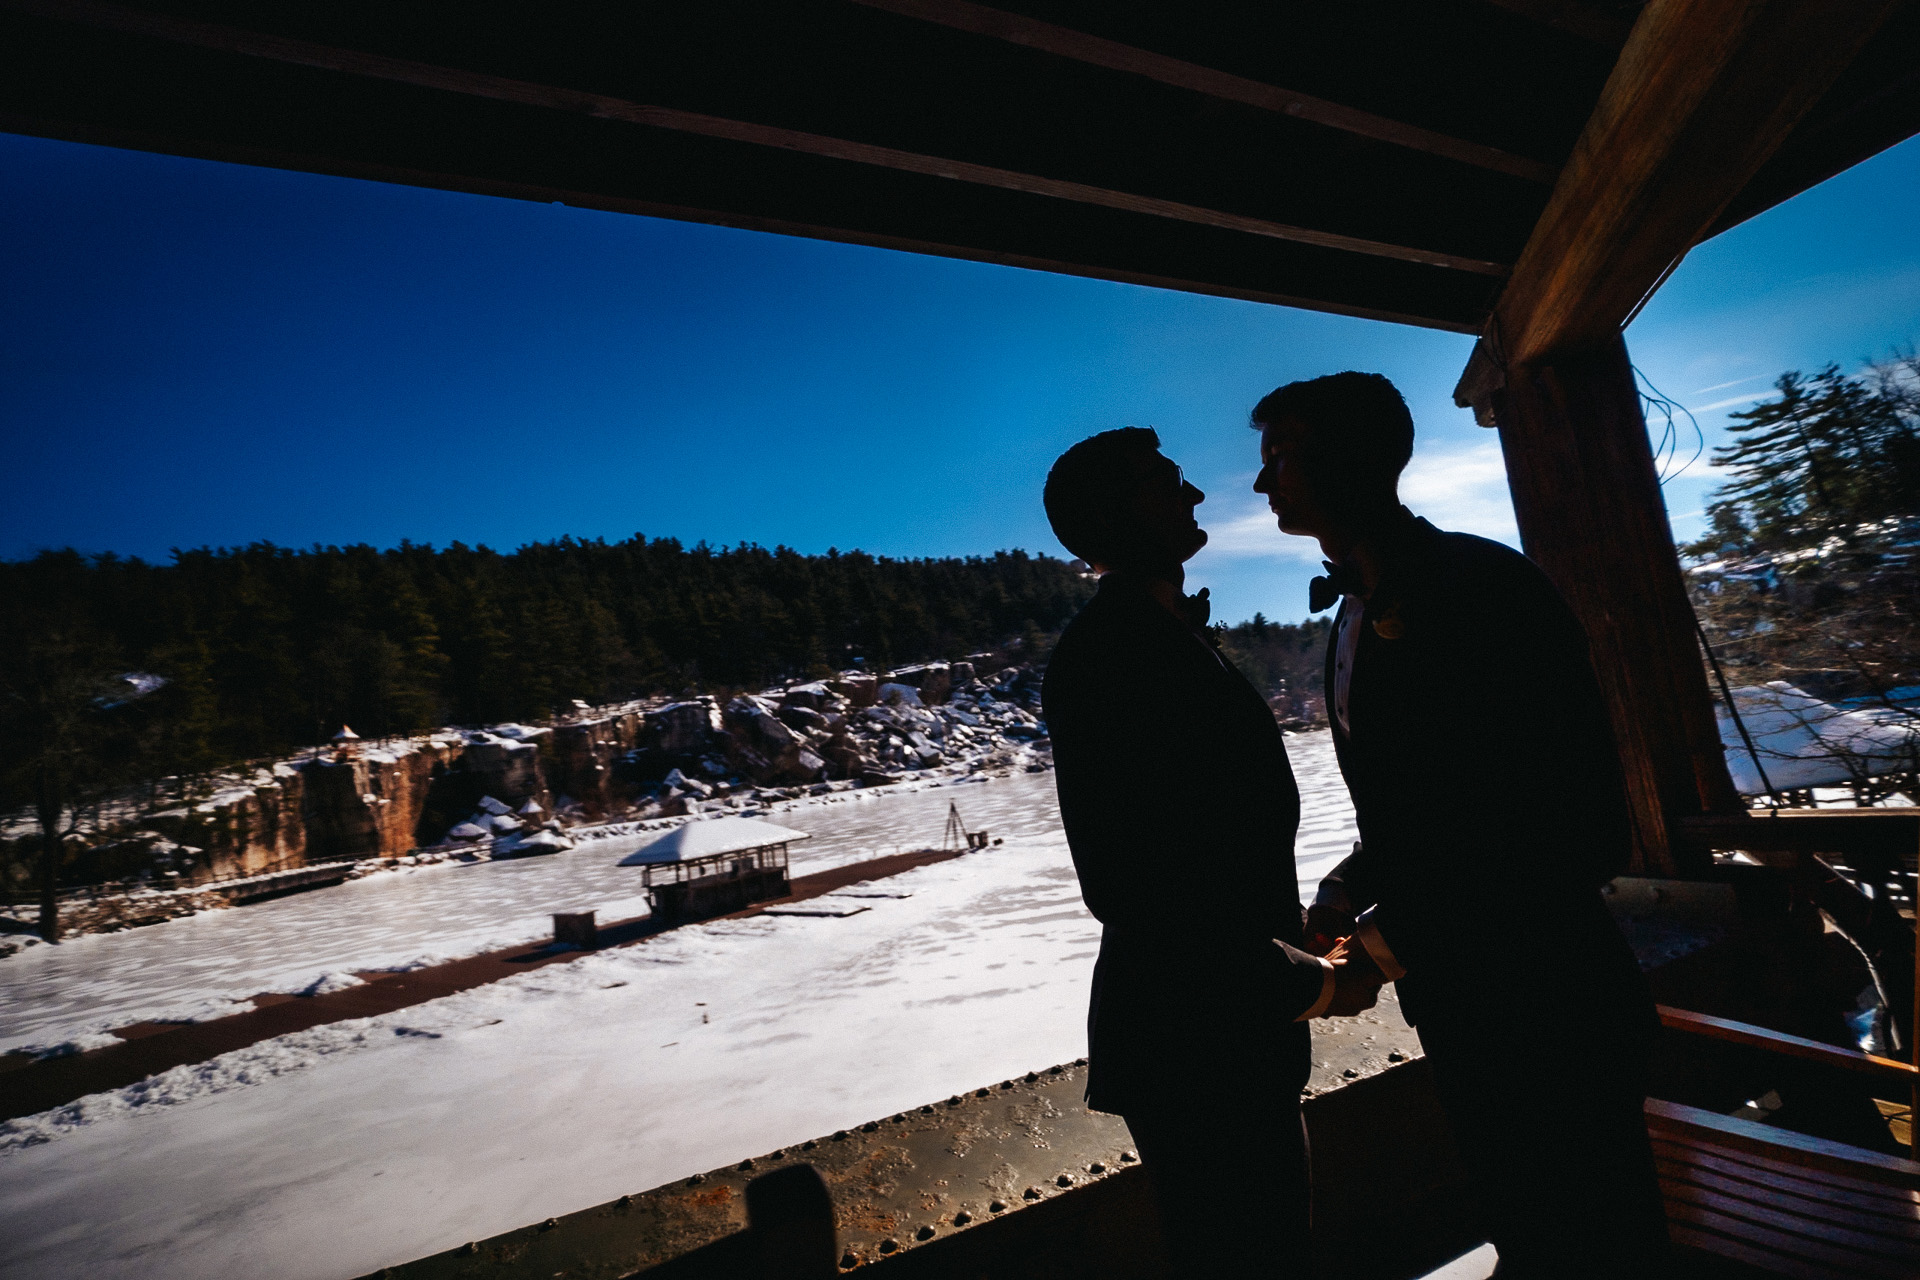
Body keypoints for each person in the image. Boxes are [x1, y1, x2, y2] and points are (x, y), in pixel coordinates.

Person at [1250, 373, 1670, 1277]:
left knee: (1601, 1243)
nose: (1261, 484)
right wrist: (1347, 889)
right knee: (1529, 1233)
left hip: (1552, 1001)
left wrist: (1390, 940)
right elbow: (1436, 803)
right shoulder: (1351, 618)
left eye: (1278, 457)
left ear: (1350, 460)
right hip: (1464, 1010)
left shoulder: (1485, 587)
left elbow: (1570, 820)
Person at [1040, 427, 1382, 1277]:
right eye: (1170, 482)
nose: (1195, 496)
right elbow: (1134, 888)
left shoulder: (1162, 637)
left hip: (1224, 1030)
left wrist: (1292, 924)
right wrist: (1311, 983)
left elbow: (1199, 847)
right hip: (1194, 1042)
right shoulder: (1109, 654)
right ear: (1120, 514)